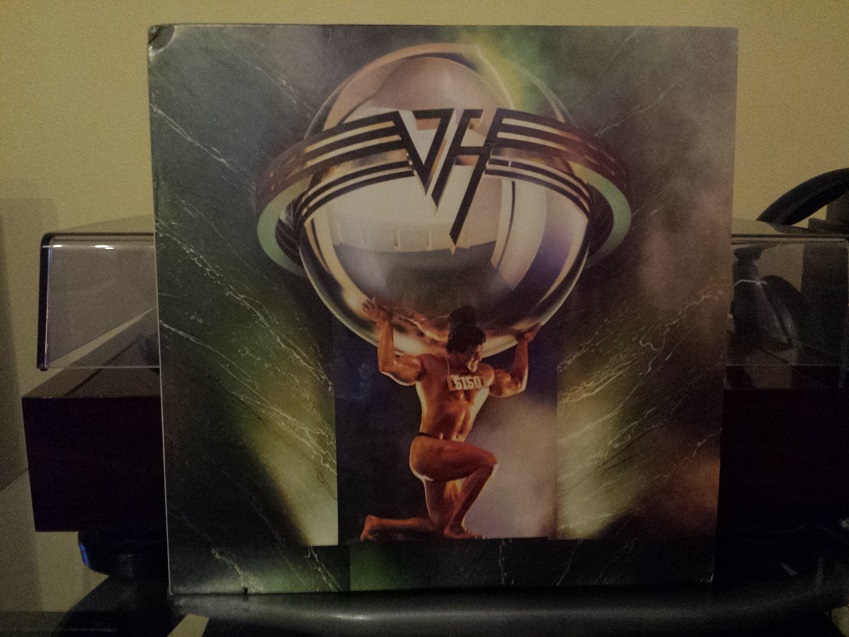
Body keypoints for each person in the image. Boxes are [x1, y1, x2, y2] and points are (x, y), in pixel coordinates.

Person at [360, 301, 539, 540]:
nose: (476, 359)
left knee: (438, 525)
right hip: (428, 449)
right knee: (487, 463)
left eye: (479, 352)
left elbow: (516, 383)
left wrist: (522, 342)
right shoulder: (430, 365)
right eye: (470, 354)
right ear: (453, 351)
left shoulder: (485, 374)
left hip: (449, 455)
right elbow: (388, 365)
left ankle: (377, 524)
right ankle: (456, 526)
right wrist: (385, 324)